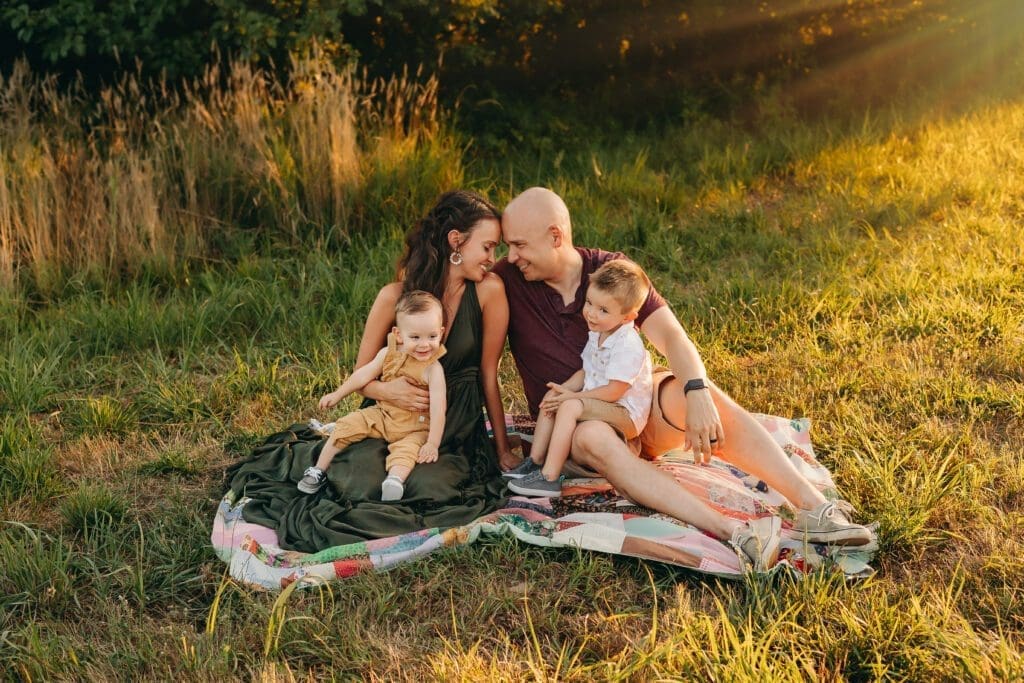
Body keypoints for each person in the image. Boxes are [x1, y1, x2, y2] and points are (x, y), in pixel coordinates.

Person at [494, 187, 872, 569]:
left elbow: (672, 336)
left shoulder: (610, 271)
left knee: (699, 393)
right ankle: (735, 533)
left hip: (632, 403)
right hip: (578, 424)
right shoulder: (505, 280)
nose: (510, 256)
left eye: (519, 245)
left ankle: (816, 510)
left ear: (555, 236)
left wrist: (698, 391)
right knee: (590, 433)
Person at [225, 189, 514, 552]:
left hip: (452, 427)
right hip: (389, 416)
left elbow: (489, 373)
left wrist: (500, 449)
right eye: (488, 247)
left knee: (429, 487)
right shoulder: (393, 297)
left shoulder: (489, 291)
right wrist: (387, 391)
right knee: (358, 479)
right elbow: (361, 374)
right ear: (456, 241)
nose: (494, 258)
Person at [506, 259, 654, 499]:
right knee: (554, 396)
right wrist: (563, 390)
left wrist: (574, 397)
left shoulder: (628, 344)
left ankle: (550, 478)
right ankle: (534, 461)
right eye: (589, 303)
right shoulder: (599, 333)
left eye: (603, 310)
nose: (591, 314)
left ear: (628, 317)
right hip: (601, 402)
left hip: (624, 412)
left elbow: (614, 391)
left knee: (570, 405)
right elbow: (585, 371)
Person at [297, 291, 448, 501]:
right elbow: (363, 375)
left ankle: (394, 481)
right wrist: (339, 393)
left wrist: (432, 443)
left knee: (407, 450)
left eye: (432, 336)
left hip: (415, 427)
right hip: (383, 415)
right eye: (415, 337)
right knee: (348, 424)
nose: (424, 344)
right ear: (398, 334)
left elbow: (438, 410)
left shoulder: (433, 369)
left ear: (441, 332)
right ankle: (318, 470)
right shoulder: (388, 353)